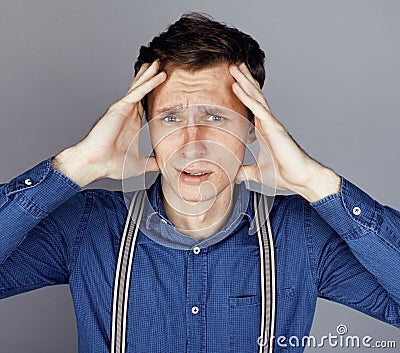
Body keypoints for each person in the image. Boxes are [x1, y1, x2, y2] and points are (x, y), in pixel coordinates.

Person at [0, 12, 399, 353]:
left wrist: (316, 182)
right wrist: (74, 166)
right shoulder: (87, 227)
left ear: (254, 128)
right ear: (144, 127)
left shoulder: (302, 235)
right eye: (171, 118)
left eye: (216, 117)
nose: (193, 145)